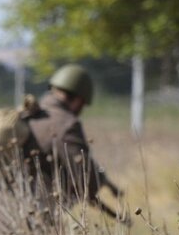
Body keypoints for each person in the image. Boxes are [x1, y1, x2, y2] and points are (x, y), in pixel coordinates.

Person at [19, 63, 120, 211]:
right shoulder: (66, 124)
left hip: (0, 204)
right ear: (78, 100)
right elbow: (86, 177)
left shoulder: (28, 114)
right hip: (33, 209)